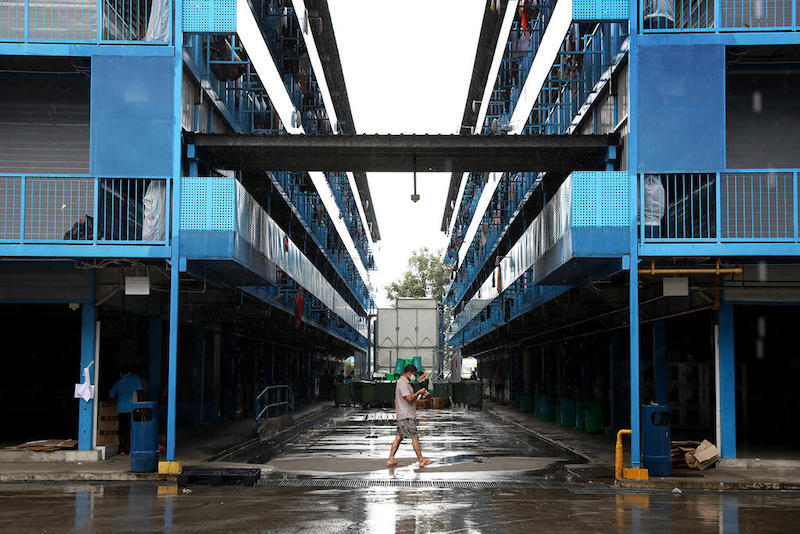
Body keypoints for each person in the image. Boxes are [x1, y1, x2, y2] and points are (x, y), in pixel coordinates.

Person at [387, 364, 434, 468]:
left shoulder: (403, 382)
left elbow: (409, 398)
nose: (414, 377)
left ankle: (391, 459)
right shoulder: (403, 383)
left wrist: (419, 395)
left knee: (399, 437)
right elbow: (408, 399)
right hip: (406, 415)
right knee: (415, 437)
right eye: (414, 375)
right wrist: (418, 392)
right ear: (409, 373)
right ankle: (421, 460)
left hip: (403, 414)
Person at [109, 367, 144, 456]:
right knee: (133, 428)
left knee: (122, 429)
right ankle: (132, 448)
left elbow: (111, 395)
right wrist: (142, 406)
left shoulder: (118, 383)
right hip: (133, 408)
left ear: (121, 374)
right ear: (129, 372)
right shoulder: (135, 379)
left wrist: (119, 401)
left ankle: (122, 449)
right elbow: (140, 393)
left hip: (121, 409)